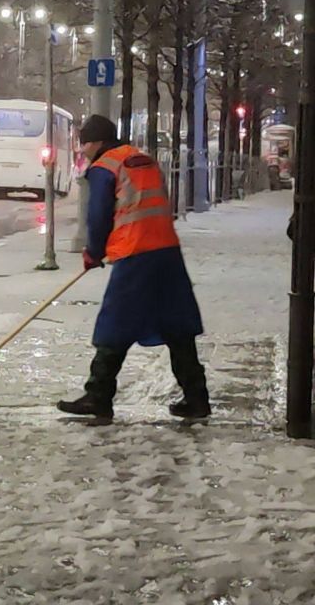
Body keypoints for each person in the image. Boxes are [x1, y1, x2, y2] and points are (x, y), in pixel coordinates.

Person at [57, 114, 211, 421]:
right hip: (166, 249)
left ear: (97, 142)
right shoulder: (142, 158)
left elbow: (99, 215)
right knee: (177, 323)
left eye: (84, 143)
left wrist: (94, 251)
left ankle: (98, 395)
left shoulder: (105, 167)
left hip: (135, 252)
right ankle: (197, 397)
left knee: (115, 322)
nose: (83, 150)